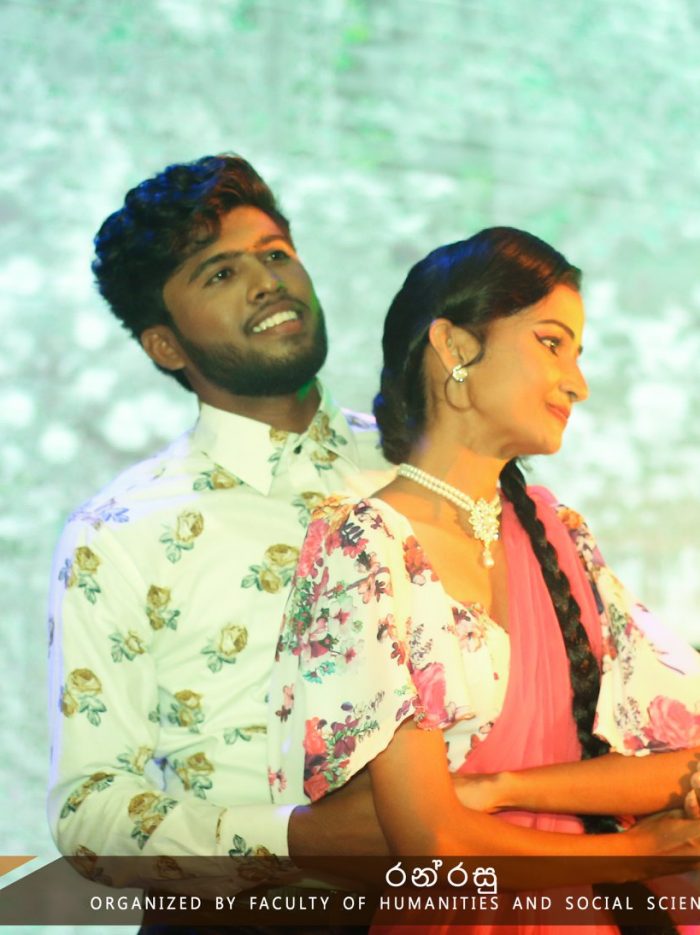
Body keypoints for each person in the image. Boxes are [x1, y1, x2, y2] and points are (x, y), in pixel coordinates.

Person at [268, 228, 700, 930]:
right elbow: (432, 843)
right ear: (454, 345)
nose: (578, 384)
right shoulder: (363, 545)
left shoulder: (559, 534)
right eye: (552, 343)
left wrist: (501, 788)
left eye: (578, 354)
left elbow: (683, 759)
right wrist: (634, 851)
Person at [47, 154, 394, 895]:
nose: (267, 281)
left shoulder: (420, 461)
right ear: (166, 345)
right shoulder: (119, 531)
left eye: (276, 254)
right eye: (221, 273)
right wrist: (299, 838)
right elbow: (91, 811)